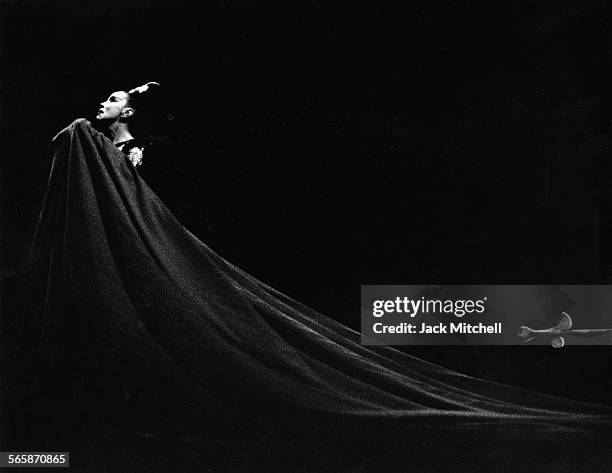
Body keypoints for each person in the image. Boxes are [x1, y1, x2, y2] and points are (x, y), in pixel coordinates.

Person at [8, 83, 612, 471]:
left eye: (116, 98)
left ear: (131, 111)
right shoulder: (104, 146)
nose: (103, 103)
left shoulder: (121, 149)